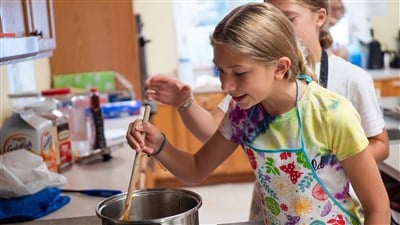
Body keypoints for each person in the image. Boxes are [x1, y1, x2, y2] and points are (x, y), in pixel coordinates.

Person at [127, 3, 390, 224]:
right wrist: (159, 144)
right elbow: (195, 170)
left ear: (279, 67)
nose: (225, 86)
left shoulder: (331, 114)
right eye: (220, 70)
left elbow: (377, 207)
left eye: (239, 73)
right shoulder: (242, 115)